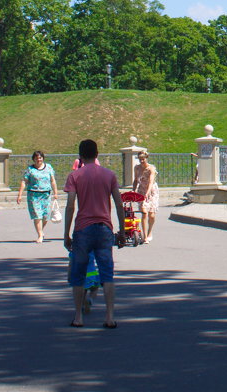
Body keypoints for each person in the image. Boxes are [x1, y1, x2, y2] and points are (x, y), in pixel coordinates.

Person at [64, 139, 128, 328]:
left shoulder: (75, 176)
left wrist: (66, 233)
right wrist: (122, 231)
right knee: (107, 274)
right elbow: (118, 204)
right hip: (104, 228)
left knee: (78, 274)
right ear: (97, 154)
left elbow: (70, 206)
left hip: (82, 229)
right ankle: (109, 317)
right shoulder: (109, 175)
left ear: (80, 156)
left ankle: (78, 317)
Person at [17, 150, 58, 243]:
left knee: (45, 216)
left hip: (46, 195)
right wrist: (20, 194)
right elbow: (24, 181)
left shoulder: (49, 168)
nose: (38, 160)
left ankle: (41, 231)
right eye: (36, 158)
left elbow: (52, 180)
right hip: (33, 195)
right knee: (37, 215)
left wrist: (55, 192)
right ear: (33, 159)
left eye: (40, 158)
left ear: (43, 158)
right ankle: (40, 235)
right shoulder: (30, 169)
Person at [132, 150, 160, 243]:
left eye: (143, 159)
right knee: (144, 212)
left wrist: (148, 193)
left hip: (152, 192)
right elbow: (136, 180)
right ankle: (144, 237)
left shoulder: (151, 168)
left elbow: (151, 181)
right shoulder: (137, 168)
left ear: (146, 158)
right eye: (140, 159)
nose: (141, 161)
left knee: (151, 214)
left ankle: (150, 232)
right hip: (141, 191)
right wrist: (133, 190)